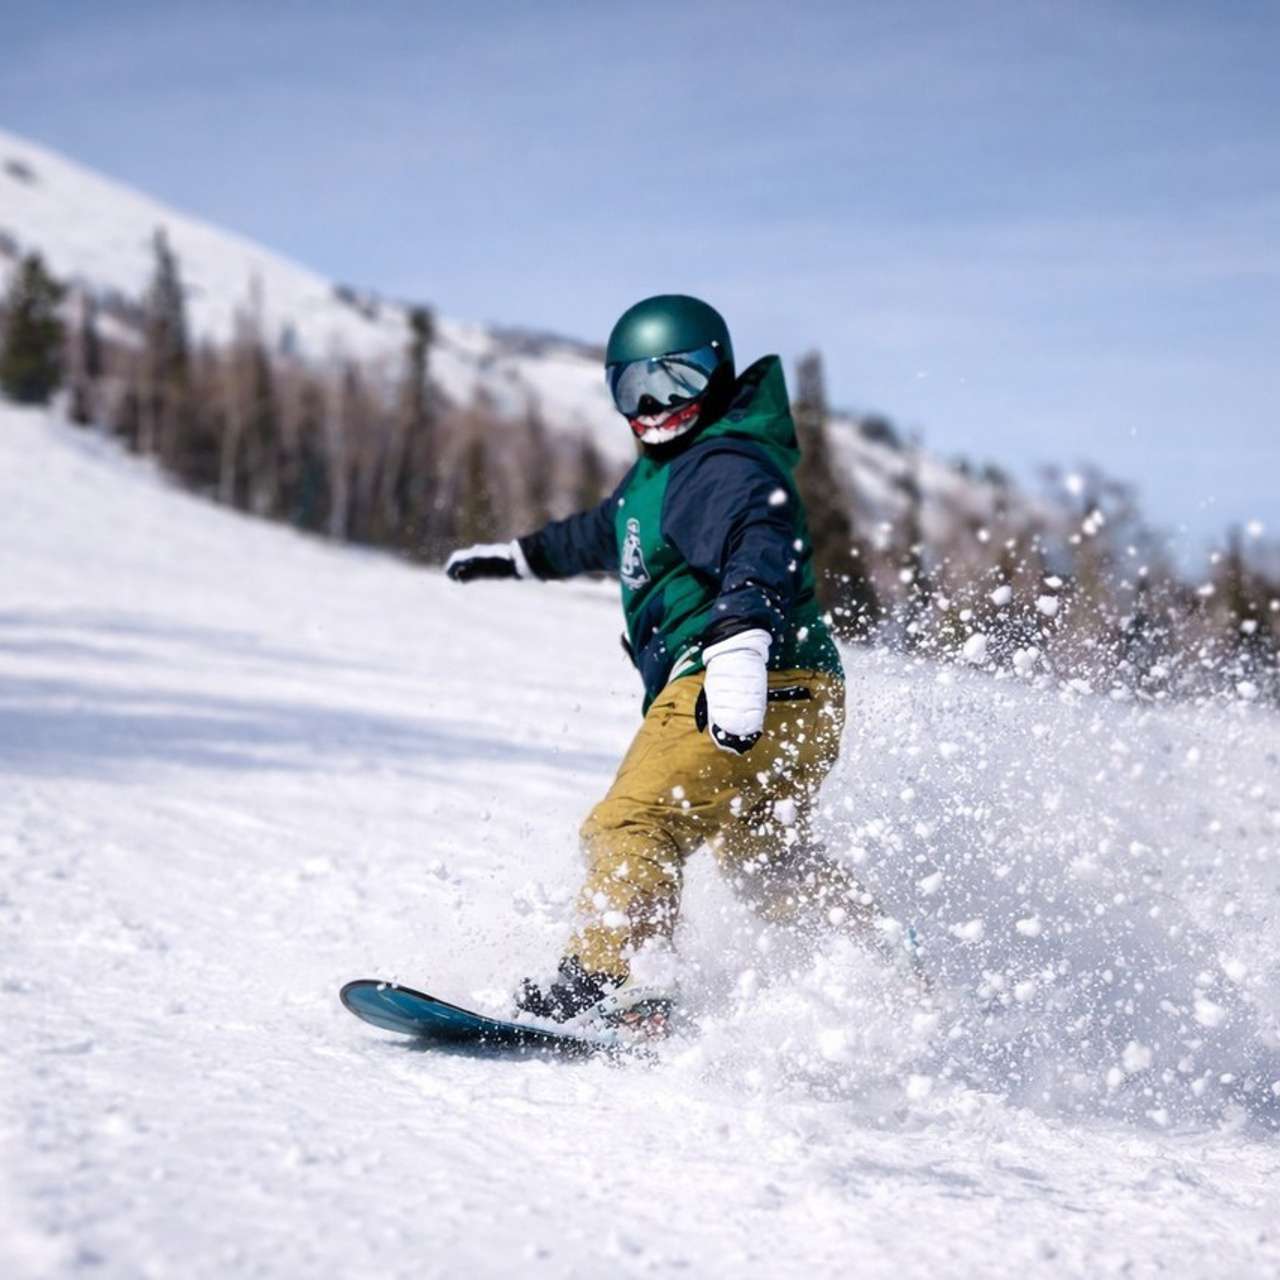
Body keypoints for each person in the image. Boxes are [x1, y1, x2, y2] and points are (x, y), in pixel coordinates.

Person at [446, 294, 889, 1027]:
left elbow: (759, 541)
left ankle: (612, 983)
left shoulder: (721, 463)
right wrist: (519, 557)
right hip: (805, 694)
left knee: (634, 823)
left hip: (740, 675)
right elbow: (601, 534)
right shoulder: (657, 477)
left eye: (676, 381)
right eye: (633, 388)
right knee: (764, 858)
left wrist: (740, 648)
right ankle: (876, 964)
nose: (654, 404)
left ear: (716, 374)